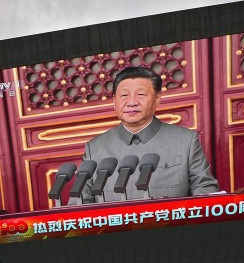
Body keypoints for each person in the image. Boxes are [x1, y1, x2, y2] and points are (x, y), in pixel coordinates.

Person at [81, 66, 219, 202]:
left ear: (157, 98)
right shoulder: (95, 148)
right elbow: (80, 201)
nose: (132, 102)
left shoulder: (186, 141)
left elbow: (205, 190)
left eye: (141, 95)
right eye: (124, 95)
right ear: (114, 101)